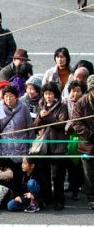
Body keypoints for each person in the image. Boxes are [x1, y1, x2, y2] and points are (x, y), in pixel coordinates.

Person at [34, 81, 69, 210]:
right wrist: (39, 116)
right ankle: (47, 199)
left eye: (50, 94)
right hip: (43, 147)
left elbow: (61, 124)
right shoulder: (41, 105)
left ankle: (59, 201)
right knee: (44, 176)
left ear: (55, 94)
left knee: (57, 177)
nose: (48, 96)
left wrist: (46, 117)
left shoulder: (62, 106)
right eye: (46, 94)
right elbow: (35, 125)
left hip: (57, 147)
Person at [71, 74, 94, 211]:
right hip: (88, 145)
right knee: (89, 174)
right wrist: (90, 135)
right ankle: (91, 198)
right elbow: (77, 122)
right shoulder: (82, 103)